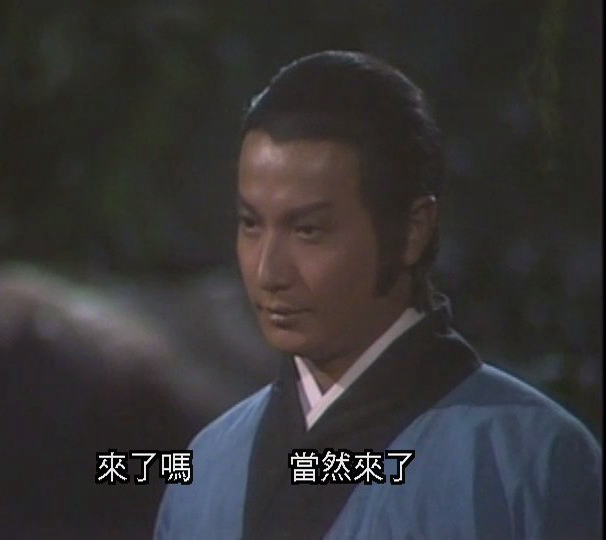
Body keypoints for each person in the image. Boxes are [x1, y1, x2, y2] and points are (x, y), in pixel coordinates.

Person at [154, 50, 602, 539]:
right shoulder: (207, 465)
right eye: (251, 224)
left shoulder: (534, 462)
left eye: (308, 230)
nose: (268, 271)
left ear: (412, 231)